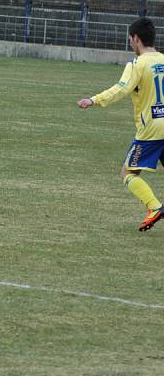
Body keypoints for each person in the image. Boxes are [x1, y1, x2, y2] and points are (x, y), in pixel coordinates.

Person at [78, 17, 164, 231]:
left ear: (136, 39)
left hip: (152, 129)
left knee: (128, 173)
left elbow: (122, 89)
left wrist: (94, 100)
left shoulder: (137, 64)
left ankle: (154, 207)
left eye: (130, 40)